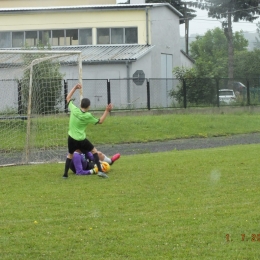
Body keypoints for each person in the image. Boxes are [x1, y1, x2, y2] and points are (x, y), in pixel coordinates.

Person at [63, 83, 113, 179]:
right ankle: (100, 171)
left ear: (80, 104)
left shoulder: (74, 109)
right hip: (81, 139)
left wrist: (75, 88)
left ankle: (65, 175)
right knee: (94, 151)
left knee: (70, 155)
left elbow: (68, 98)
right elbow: (101, 121)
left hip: (71, 138)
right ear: (88, 106)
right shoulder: (88, 116)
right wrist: (107, 110)